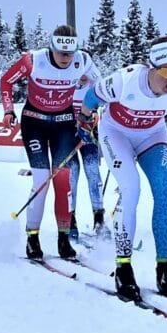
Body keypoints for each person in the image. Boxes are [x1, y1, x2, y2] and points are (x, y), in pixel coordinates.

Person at [79, 36, 167, 302]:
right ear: (150, 67)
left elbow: (165, 107)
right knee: (131, 189)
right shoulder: (125, 80)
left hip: (152, 136)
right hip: (116, 134)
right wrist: (84, 119)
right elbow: (91, 95)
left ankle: (165, 268)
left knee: (164, 190)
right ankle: (123, 267)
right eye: (166, 72)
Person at [0, 25, 100, 261]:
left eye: (70, 53)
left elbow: (99, 88)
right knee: (42, 179)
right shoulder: (32, 60)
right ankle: (32, 237)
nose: (66, 58)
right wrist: (8, 111)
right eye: (61, 53)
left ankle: (63, 238)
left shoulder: (82, 60)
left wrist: (92, 110)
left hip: (64, 123)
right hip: (34, 122)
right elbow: (6, 81)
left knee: (63, 180)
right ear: (51, 48)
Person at [69, 81, 109, 241]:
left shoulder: (95, 83)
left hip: (88, 133)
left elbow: (103, 108)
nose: (83, 77)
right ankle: (70, 220)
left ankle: (99, 219)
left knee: (93, 171)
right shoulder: (66, 81)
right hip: (67, 135)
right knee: (71, 175)